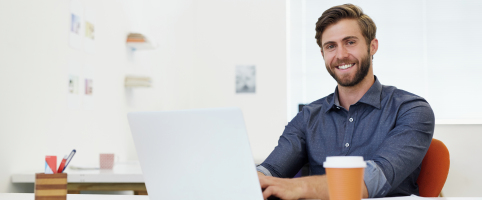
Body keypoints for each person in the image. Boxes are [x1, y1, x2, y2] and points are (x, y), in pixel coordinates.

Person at [256, 4, 435, 199]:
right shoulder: (308, 116)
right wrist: (254, 179)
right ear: (323, 54)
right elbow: (271, 170)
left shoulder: (411, 110)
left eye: (350, 42)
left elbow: (375, 178)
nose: (340, 55)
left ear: (372, 46)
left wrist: (300, 187)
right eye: (330, 46)